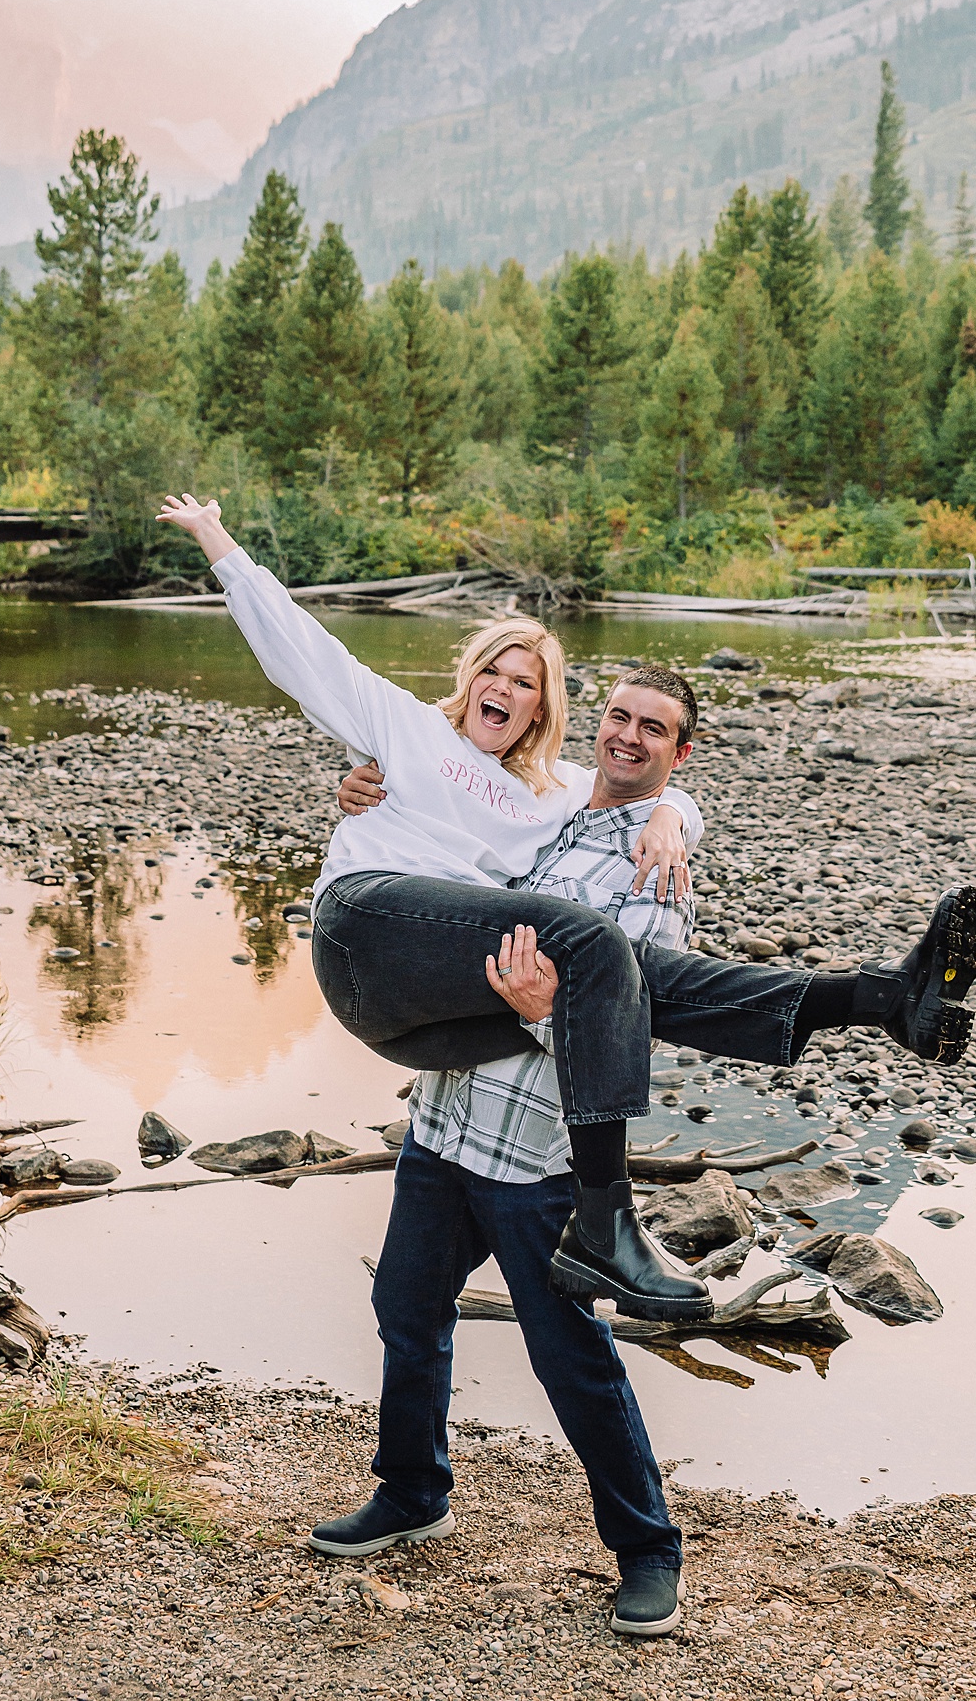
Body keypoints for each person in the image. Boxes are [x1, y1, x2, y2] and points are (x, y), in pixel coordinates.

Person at [156, 493, 976, 1323]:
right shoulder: (404, 729)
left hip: (438, 1013)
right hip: (368, 937)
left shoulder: (548, 792)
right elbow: (300, 646)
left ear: (542, 707)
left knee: (624, 971)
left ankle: (881, 1001)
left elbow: (642, 781)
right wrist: (215, 537)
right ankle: (605, 1218)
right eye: (494, 670)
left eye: (526, 683)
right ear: (470, 675)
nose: (504, 688)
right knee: (594, 942)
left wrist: (677, 815)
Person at [309, 664, 749, 1640]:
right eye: (619, 717)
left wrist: (544, 1012)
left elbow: (624, 1031)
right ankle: (414, 1490)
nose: (629, 738)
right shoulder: (541, 810)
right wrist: (363, 791)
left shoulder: (655, 875)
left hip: (537, 1156)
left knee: (569, 1356)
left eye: (655, 731)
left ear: (681, 753)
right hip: (446, 1124)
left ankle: (648, 1551)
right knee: (404, 1307)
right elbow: (439, 836)